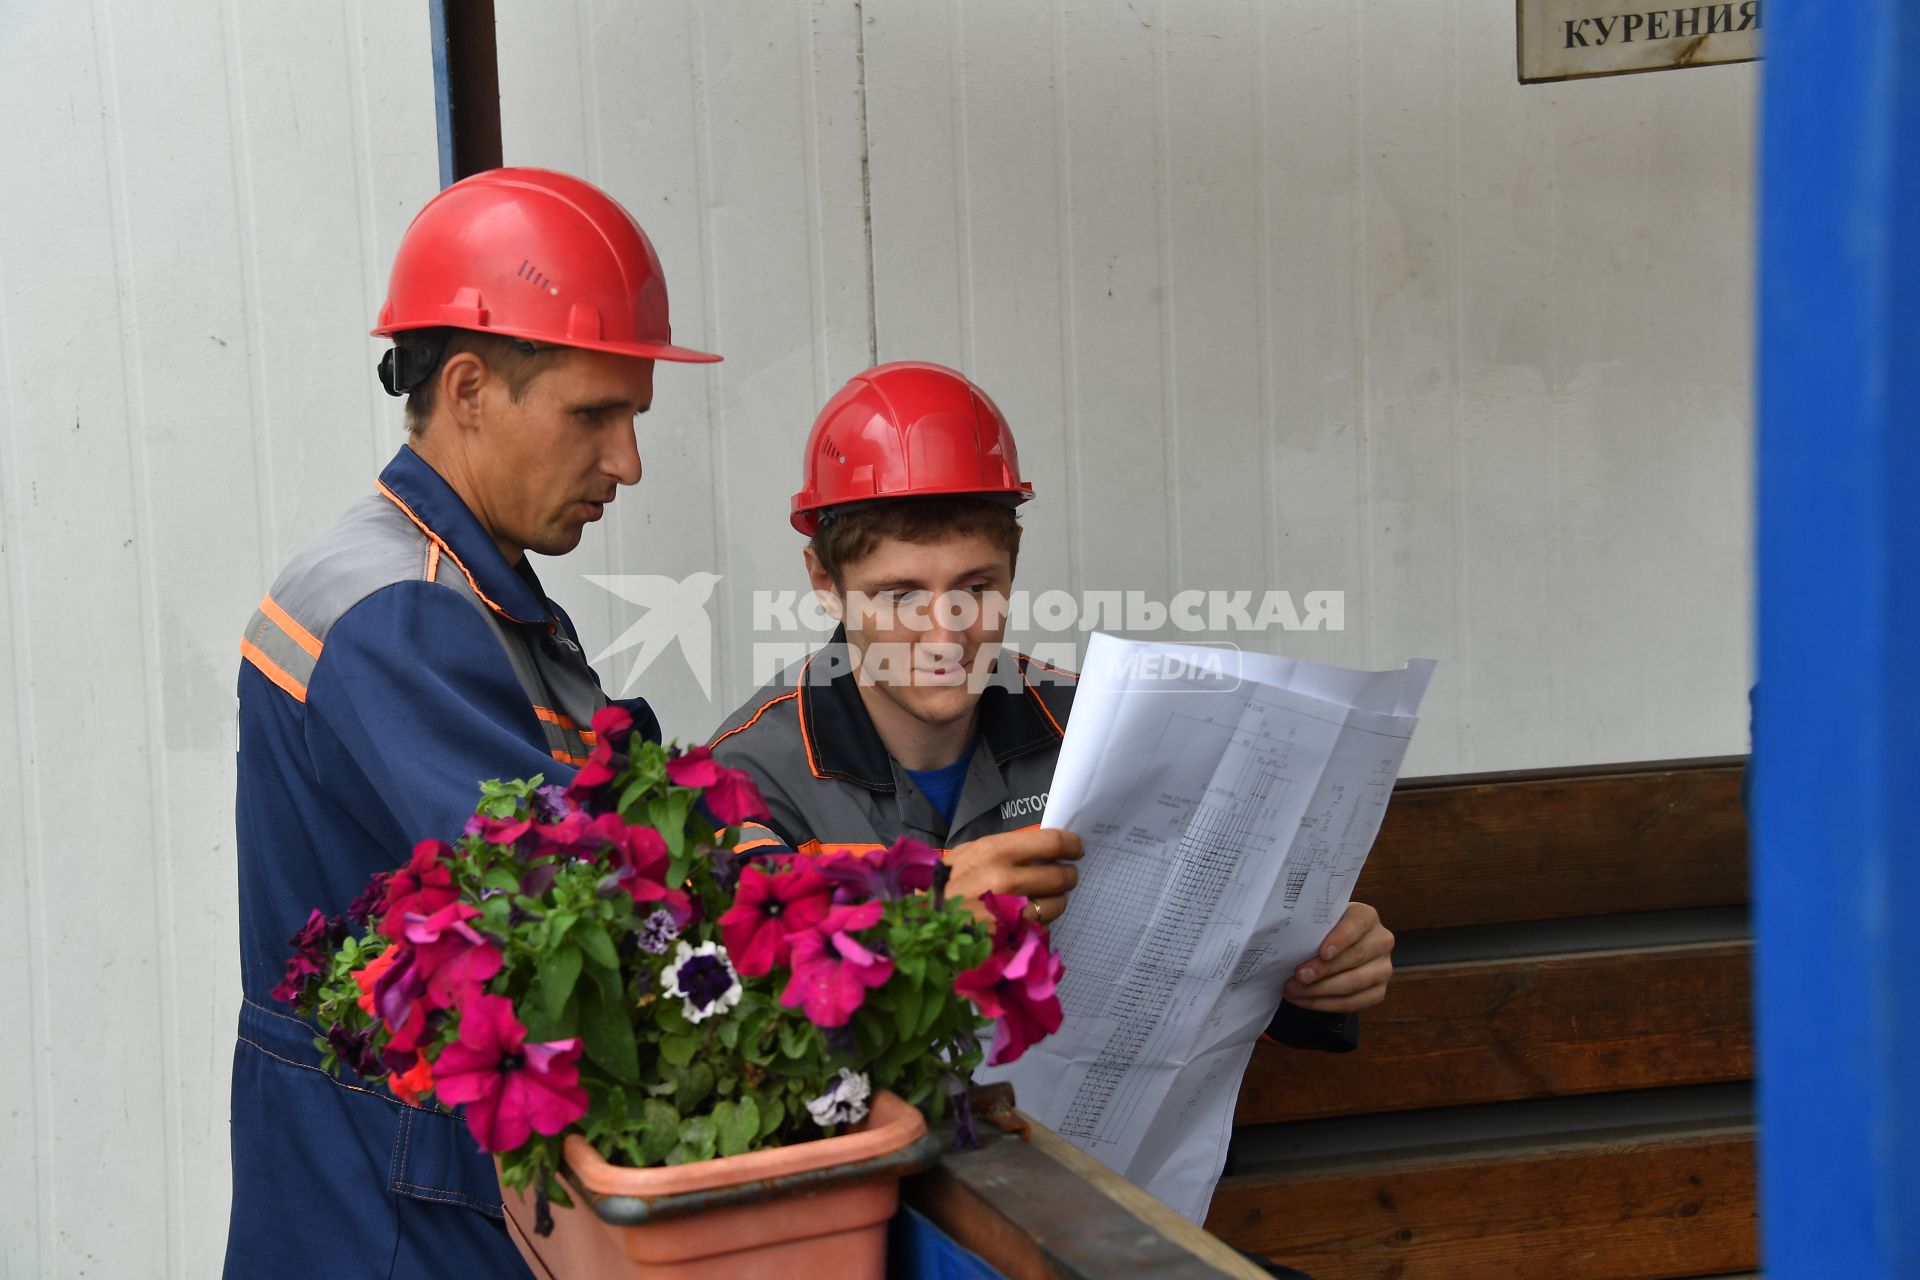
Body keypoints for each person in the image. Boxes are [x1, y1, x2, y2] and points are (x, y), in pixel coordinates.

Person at [225, 168, 718, 1277]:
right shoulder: (403, 614)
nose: (627, 462)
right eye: (595, 414)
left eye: (633, 418)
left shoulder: (454, 586)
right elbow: (577, 901)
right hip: (394, 1217)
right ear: (468, 388)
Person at [710, 362, 1395, 1054]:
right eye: (900, 596)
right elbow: (743, 1031)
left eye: (976, 587)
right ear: (825, 581)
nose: (946, 634)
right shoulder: (744, 777)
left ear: (1014, 564)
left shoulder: (1108, 727)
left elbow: (1213, 959)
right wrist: (921, 919)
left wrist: (1317, 972)